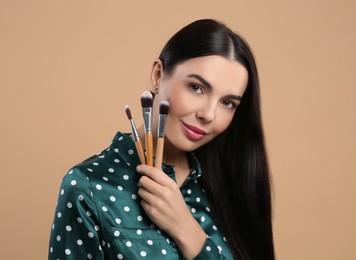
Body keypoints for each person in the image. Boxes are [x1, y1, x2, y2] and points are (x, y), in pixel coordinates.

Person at [49, 19, 275, 260]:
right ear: (158, 75)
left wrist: (188, 232)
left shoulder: (231, 183)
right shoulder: (89, 186)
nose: (208, 115)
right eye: (197, 88)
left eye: (227, 103)